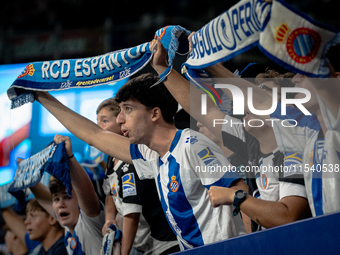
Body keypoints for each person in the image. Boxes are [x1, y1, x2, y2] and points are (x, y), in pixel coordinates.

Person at [34, 73, 247, 250]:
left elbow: (241, 195)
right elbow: (95, 136)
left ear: (154, 113)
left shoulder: (193, 145)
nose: (119, 119)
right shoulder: (155, 154)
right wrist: (41, 96)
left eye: (128, 109)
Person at [150, 38, 311, 229]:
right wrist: (163, 68)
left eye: (262, 95)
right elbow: (204, 110)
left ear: (289, 107)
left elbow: (288, 217)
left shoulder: (296, 147)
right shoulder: (250, 140)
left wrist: (235, 197)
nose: (246, 103)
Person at [97, 98, 180, 254]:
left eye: (105, 121)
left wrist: (123, 253)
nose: (99, 127)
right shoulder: (110, 158)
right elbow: (111, 193)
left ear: (121, 122)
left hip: (164, 244)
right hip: (144, 246)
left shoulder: (131, 164)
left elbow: (131, 216)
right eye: (98, 121)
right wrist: (109, 219)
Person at [27, 134, 106, 254]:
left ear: (79, 200)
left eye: (67, 197)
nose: (60, 205)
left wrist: (70, 158)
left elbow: (85, 191)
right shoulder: (68, 227)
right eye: (56, 199)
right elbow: (45, 200)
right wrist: (27, 176)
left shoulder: (91, 223)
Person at [1, 199, 66, 255]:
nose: (26, 222)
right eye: (27, 217)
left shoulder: (64, 248)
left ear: (52, 218)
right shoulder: (41, 249)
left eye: (33, 216)